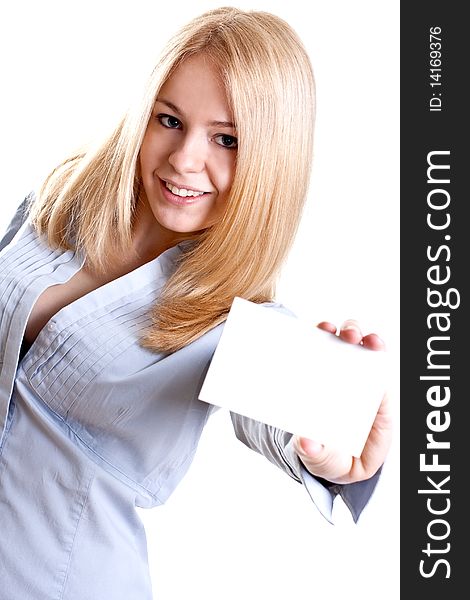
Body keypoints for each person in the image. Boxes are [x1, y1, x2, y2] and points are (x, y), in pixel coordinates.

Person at [0, 6, 392, 599]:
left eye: (226, 139)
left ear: (271, 158)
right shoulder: (58, 202)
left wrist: (334, 453)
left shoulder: (236, 323)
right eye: (169, 120)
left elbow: (296, 430)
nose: (185, 160)